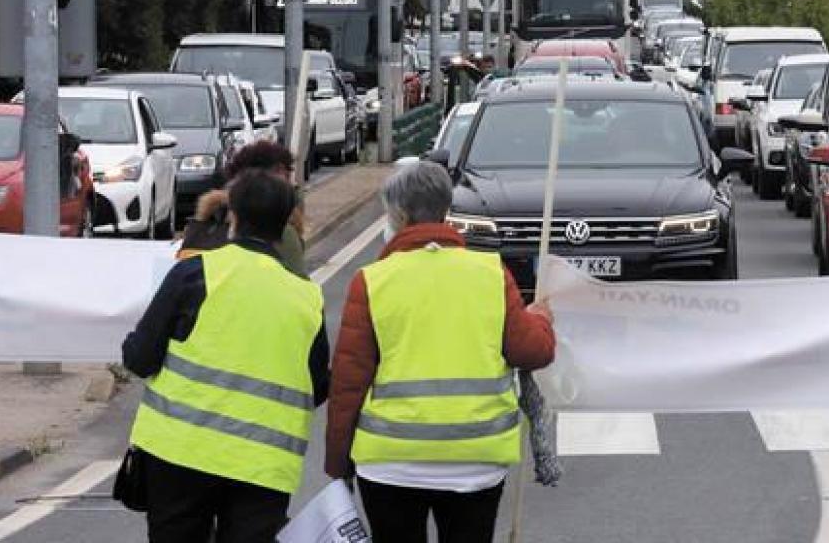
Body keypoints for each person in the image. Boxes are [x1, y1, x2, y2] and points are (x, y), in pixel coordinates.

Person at [326, 161, 556, 543]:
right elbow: (533, 351)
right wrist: (541, 320)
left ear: (396, 214)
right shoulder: (490, 273)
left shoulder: (372, 281)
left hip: (390, 464)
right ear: (446, 209)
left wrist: (338, 464)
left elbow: (348, 384)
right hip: (475, 461)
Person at [123, 168, 329, 542]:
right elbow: (318, 385)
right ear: (287, 222)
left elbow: (140, 358)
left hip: (177, 455)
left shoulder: (194, 273)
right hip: (263, 467)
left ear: (232, 215)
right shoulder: (307, 299)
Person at [177, 140, 306, 275]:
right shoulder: (283, 232)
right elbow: (297, 282)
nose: (293, 186)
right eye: (287, 177)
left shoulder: (205, 225)